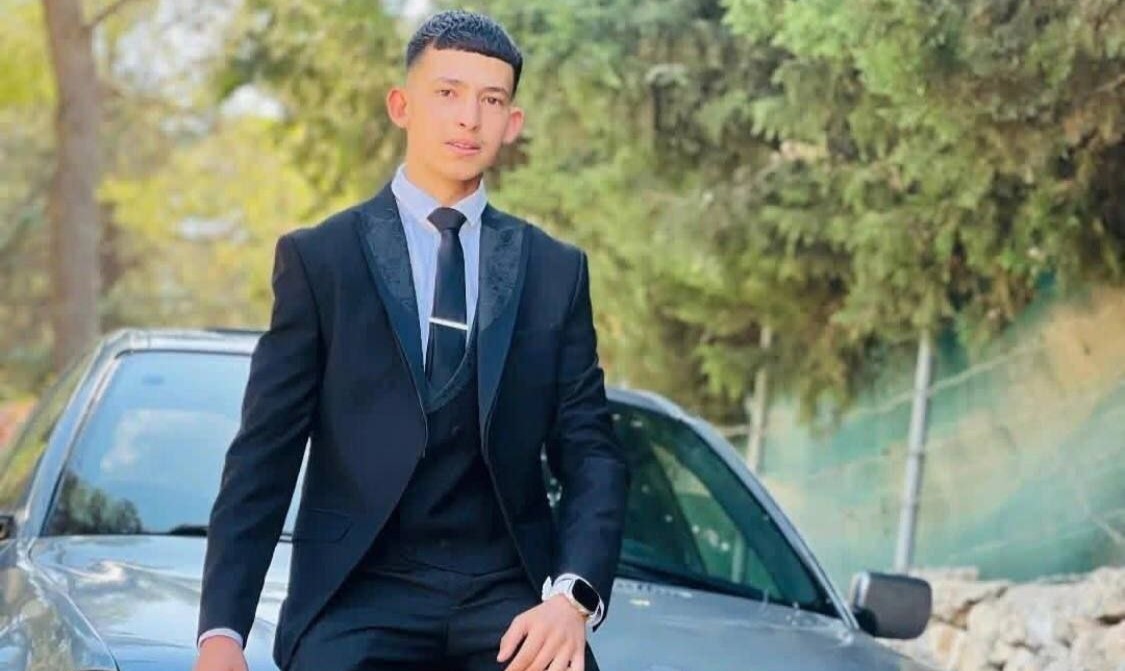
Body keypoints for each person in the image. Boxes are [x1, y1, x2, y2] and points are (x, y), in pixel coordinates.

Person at [193, 9, 630, 671]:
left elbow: (592, 452)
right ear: (402, 105)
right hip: (356, 595)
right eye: (447, 93)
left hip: (507, 594)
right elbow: (265, 453)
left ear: (512, 123)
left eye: (491, 101)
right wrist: (222, 633)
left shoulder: (554, 271)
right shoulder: (323, 260)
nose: (469, 119)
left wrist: (571, 599)